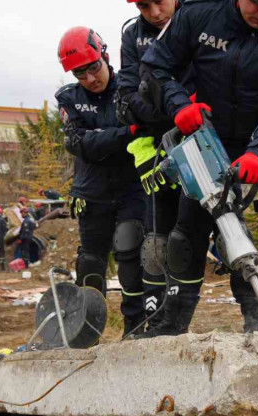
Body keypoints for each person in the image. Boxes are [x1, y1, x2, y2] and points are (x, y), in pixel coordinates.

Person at [141, 0, 258, 335]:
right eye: (257, 0)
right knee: (189, 230)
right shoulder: (199, 14)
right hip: (208, 135)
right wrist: (178, 105)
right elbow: (155, 68)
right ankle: (173, 323)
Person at [56, 26, 149, 337]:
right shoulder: (69, 98)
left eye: (94, 68)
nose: (90, 78)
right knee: (91, 264)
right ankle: (87, 330)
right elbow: (78, 143)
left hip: (132, 188)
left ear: (105, 57)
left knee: (131, 253)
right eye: (80, 73)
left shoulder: (131, 86)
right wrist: (126, 134)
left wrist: (99, 140)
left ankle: (135, 329)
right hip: (91, 192)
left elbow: (143, 130)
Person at [116, 0, 196, 337]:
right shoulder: (133, 36)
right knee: (159, 239)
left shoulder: (198, 17)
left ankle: (254, 312)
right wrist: (167, 110)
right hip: (160, 140)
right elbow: (128, 99)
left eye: (158, 1)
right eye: (143, 6)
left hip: (203, 132)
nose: (154, 12)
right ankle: (160, 318)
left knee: (224, 229)